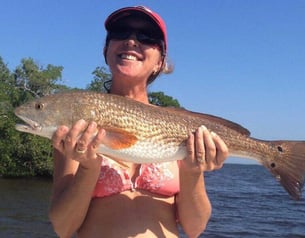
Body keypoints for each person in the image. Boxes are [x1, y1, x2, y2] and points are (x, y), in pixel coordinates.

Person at [49, 6, 229, 238]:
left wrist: (192, 173)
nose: (131, 41)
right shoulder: (77, 125)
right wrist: (88, 167)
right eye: (121, 32)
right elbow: (63, 227)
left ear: (160, 62)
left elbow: (195, 228)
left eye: (146, 37)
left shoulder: (179, 125)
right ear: (106, 50)